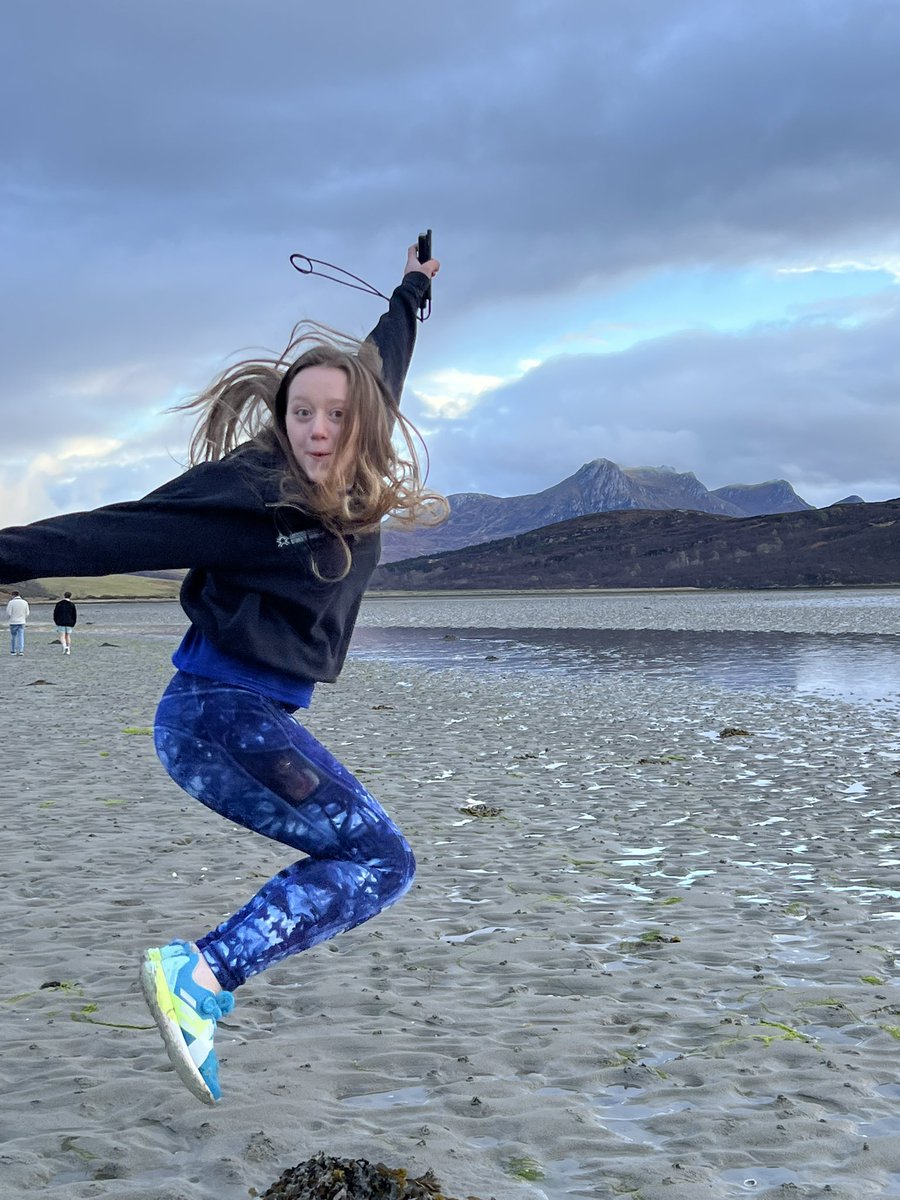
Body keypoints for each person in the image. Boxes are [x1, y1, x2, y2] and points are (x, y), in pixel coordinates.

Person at [0, 245, 443, 1105]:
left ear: (364, 422)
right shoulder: (253, 494)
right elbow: (107, 535)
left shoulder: (353, 471)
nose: (319, 428)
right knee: (381, 858)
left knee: (369, 858)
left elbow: (383, 356)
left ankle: (204, 972)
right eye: (301, 413)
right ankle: (201, 973)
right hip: (215, 715)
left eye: (337, 414)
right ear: (283, 420)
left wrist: (415, 288)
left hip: (244, 718)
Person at [6, 590, 29, 655]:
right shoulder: (25, 602)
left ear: (13, 595)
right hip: (22, 621)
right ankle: (21, 651)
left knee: (13, 637)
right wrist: (23, 618)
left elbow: (8, 613)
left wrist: (10, 618)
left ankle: (13, 651)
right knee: (21, 636)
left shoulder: (11, 602)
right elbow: (27, 613)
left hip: (13, 622)